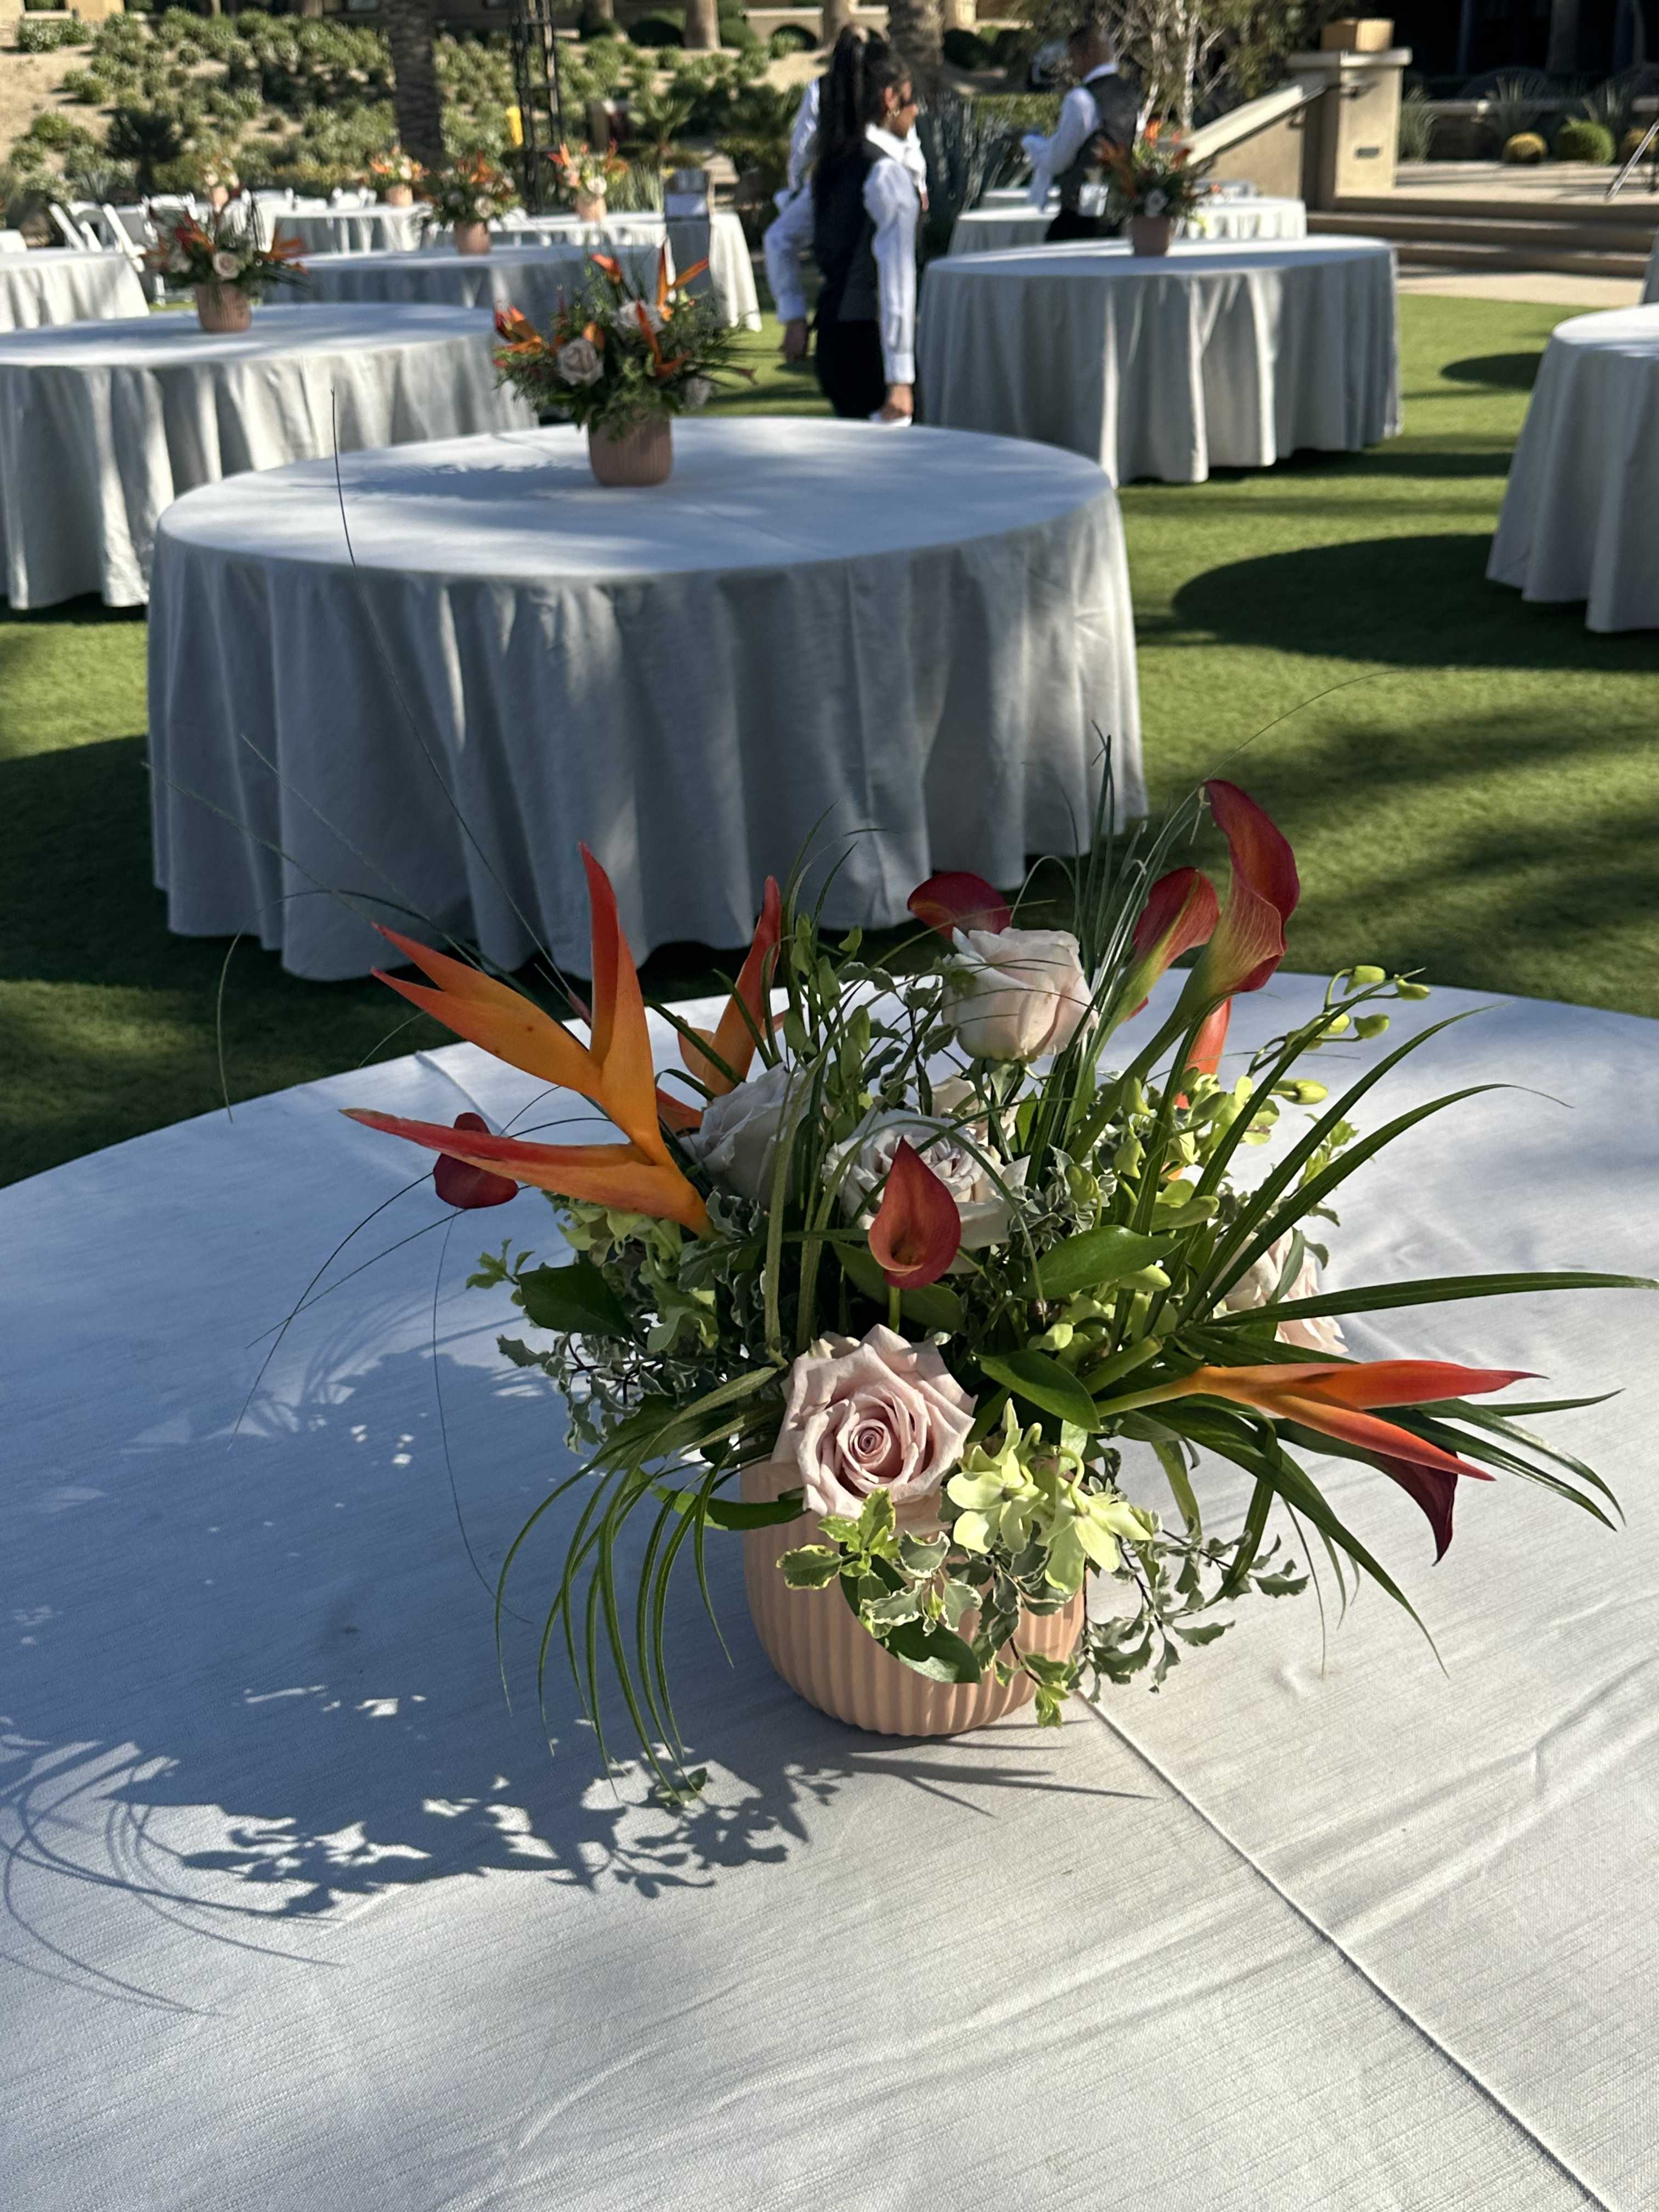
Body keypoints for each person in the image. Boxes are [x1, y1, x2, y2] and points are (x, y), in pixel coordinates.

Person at [764, 37, 922, 425]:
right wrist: (900, 377)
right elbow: (895, 279)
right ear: (890, 98)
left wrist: (794, 315)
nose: (916, 110)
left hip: (833, 339)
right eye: (912, 98)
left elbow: (778, 238)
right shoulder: (885, 173)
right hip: (870, 345)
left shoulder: (834, 166)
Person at [1022, 22, 1139, 244]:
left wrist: (1031, 142)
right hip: (1118, 214)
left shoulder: (1081, 99)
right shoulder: (1130, 96)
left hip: (1080, 217)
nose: (1071, 64)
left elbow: (1057, 160)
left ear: (1087, 53)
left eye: (1073, 56)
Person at [786, 29, 928, 202]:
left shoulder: (822, 87)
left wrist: (796, 188)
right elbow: (909, 145)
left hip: (834, 188)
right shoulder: (886, 90)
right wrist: (919, 184)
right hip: (885, 192)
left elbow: (803, 145)